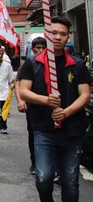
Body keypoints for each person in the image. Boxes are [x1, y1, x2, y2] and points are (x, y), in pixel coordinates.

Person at [18, 16, 92, 202]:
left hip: (72, 130)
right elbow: (24, 91)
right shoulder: (33, 63)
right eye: (54, 33)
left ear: (68, 38)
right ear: (48, 35)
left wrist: (66, 112)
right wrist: (46, 100)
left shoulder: (78, 65)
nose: (58, 37)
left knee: (70, 180)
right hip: (43, 130)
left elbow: (84, 95)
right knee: (44, 178)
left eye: (63, 34)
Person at [15, 36, 46, 175]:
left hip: (51, 107)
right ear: (32, 49)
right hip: (33, 107)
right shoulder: (29, 64)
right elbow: (18, 84)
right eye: (37, 48)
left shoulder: (51, 63)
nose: (40, 50)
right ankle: (34, 161)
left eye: (42, 47)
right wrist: (21, 101)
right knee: (34, 134)